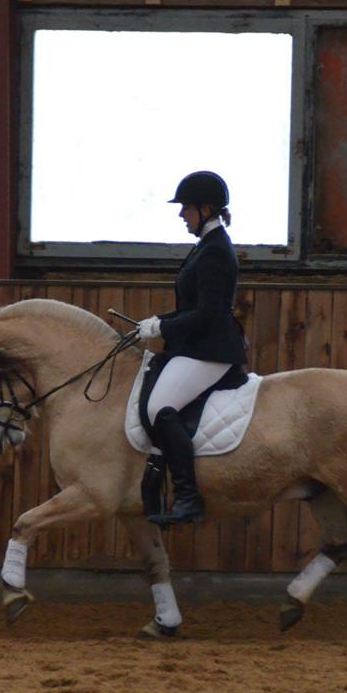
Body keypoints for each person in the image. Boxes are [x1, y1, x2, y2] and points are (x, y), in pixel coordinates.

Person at [135, 171, 247, 526]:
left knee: (159, 408)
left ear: (206, 209)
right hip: (196, 346)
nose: (181, 214)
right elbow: (191, 307)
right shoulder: (205, 246)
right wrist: (157, 320)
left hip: (212, 350)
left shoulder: (215, 251)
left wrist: (163, 328)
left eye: (186, 207)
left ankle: (188, 497)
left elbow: (208, 314)